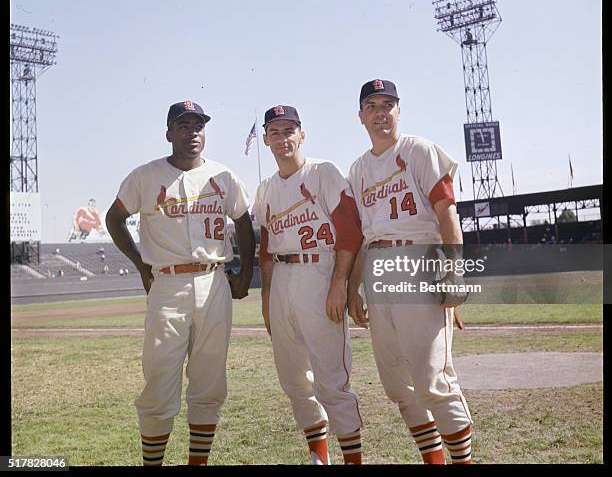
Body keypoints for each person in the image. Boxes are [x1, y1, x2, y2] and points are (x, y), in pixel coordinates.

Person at [106, 100, 255, 467]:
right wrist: (142, 266)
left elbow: (245, 221)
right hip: (168, 285)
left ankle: (197, 463)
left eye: (198, 126)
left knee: (209, 380)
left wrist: (245, 271)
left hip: (213, 280)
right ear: (169, 133)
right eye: (184, 126)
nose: (193, 133)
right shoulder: (145, 175)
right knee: (159, 378)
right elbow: (114, 219)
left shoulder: (223, 175)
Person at [347, 80, 474, 465]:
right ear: (361, 116)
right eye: (372, 105)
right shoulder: (358, 169)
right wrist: (353, 289)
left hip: (417, 261)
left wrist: (453, 272)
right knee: (398, 386)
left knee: (433, 381)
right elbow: (362, 237)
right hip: (377, 269)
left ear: (398, 111)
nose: (381, 112)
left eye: (388, 104)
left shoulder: (418, 149)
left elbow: (447, 213)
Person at [252, 105, 364, 465]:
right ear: (266, 139)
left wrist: (339, 285)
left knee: (331, 378)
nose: (282, 138)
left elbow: (350, 231)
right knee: (294, 378)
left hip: (319, 270)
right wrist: (268, 298)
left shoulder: (323, 173)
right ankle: (320, 456)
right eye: (275, 132)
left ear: (302, 134)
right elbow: (266, 250)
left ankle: (353, 459)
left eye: (289, 130)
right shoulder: (266, 188)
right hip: (283, 279)